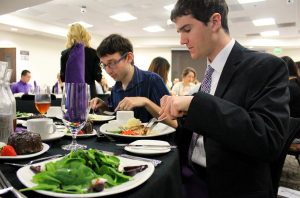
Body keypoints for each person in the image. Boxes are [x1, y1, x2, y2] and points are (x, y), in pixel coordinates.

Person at [159, 0, 289, 197]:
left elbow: (268, 139)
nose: (182, 40)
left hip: (232, 186)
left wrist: (195, 104)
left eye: (187, 29)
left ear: (214, 21)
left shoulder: (265, 66)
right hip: (189, 176)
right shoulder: (210, 72)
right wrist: (182, 113)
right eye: (179, 32)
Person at [90, 34, 176, 128]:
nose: (108, 70)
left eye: (112, 63)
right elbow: (114, 115)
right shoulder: (116, 87)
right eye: (104, 65)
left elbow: (173, 123)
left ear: (129, 58)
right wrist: (103, 106)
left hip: (152, 142)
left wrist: (146, 102)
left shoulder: (152, 80)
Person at [60, 23, 102, 99]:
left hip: (71, 95)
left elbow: (62, 77)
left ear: (69, 36)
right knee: (89, 111)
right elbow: (98, 76)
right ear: (84, 34)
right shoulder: (94, 53)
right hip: (89, 94)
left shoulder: (65, 54)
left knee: (71, 111)